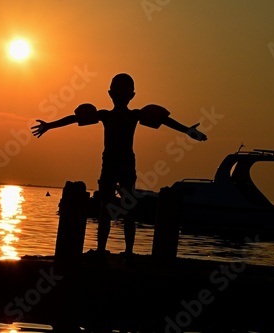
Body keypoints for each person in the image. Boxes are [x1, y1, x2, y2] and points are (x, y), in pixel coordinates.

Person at [31, 73, 207, 261]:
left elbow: (163, 120)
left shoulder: (132, 115)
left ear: (126, 95)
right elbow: (75, 119)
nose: (121, 95)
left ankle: (122, 251)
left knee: (119, 209)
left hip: (122, 164)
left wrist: (187, 130)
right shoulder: (109, 115)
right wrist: (50, 125)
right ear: (114, 94)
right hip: (112, 164)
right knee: (110, 208)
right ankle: (108, 250)